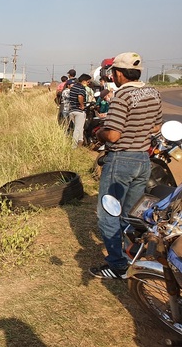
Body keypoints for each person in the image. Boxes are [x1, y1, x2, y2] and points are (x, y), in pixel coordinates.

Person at [90, 52, 162, 280]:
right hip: (143, 160)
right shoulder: (153, 92)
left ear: (119, 73)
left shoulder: (123, 96)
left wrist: (99, 133)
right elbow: (156, 127)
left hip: (121, 160)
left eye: (113, 72)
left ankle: (118, 265)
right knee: (131, 213)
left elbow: (112, 135)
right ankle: (133, 255)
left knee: (108, 213)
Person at [67, 74, 91, 148]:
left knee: (79, 128)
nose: (88, 84)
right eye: (88, 82)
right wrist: (82, 105)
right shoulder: (81, 88)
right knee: (78, 129)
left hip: (72, 110)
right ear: (84, 81)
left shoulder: (73, 87)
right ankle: (73, 146)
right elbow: (80, 96)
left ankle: (80, 143)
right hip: (78, 111)